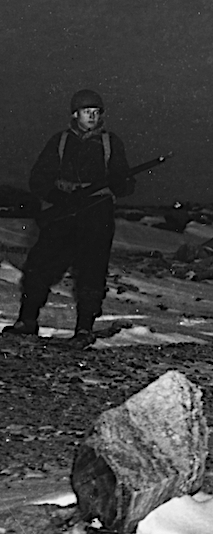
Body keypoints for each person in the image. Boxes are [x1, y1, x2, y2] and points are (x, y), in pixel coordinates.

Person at [3, 89, 135, 347]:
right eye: (87, 112)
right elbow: (38, 178)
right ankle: (27, 320)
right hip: (63, 213)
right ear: (75, 114)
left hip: (97, 213)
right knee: (39, 265)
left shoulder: (111, 143)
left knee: (91, 271)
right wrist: (57, 196)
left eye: (97, 113)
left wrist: (122, 182)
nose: (92, 117)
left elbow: (125, 185)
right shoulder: (60, 141)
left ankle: (84, 329)